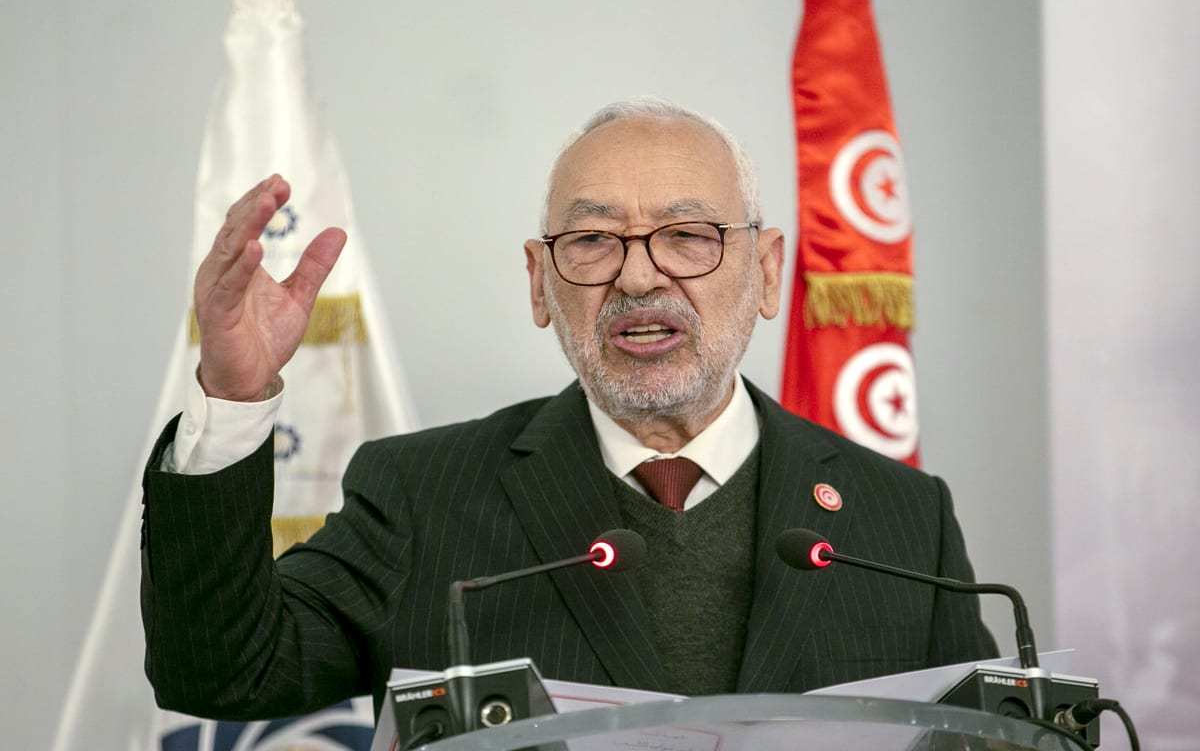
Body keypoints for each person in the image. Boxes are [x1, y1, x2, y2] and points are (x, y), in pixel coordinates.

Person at [141, 98, 997, 721]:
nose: (636, 275)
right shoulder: (421, 496)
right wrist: (236, 395)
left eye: (688, 234)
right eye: (590, 241)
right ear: (540, 284)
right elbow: (222, 676)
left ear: (768, 270)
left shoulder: (901, 521)